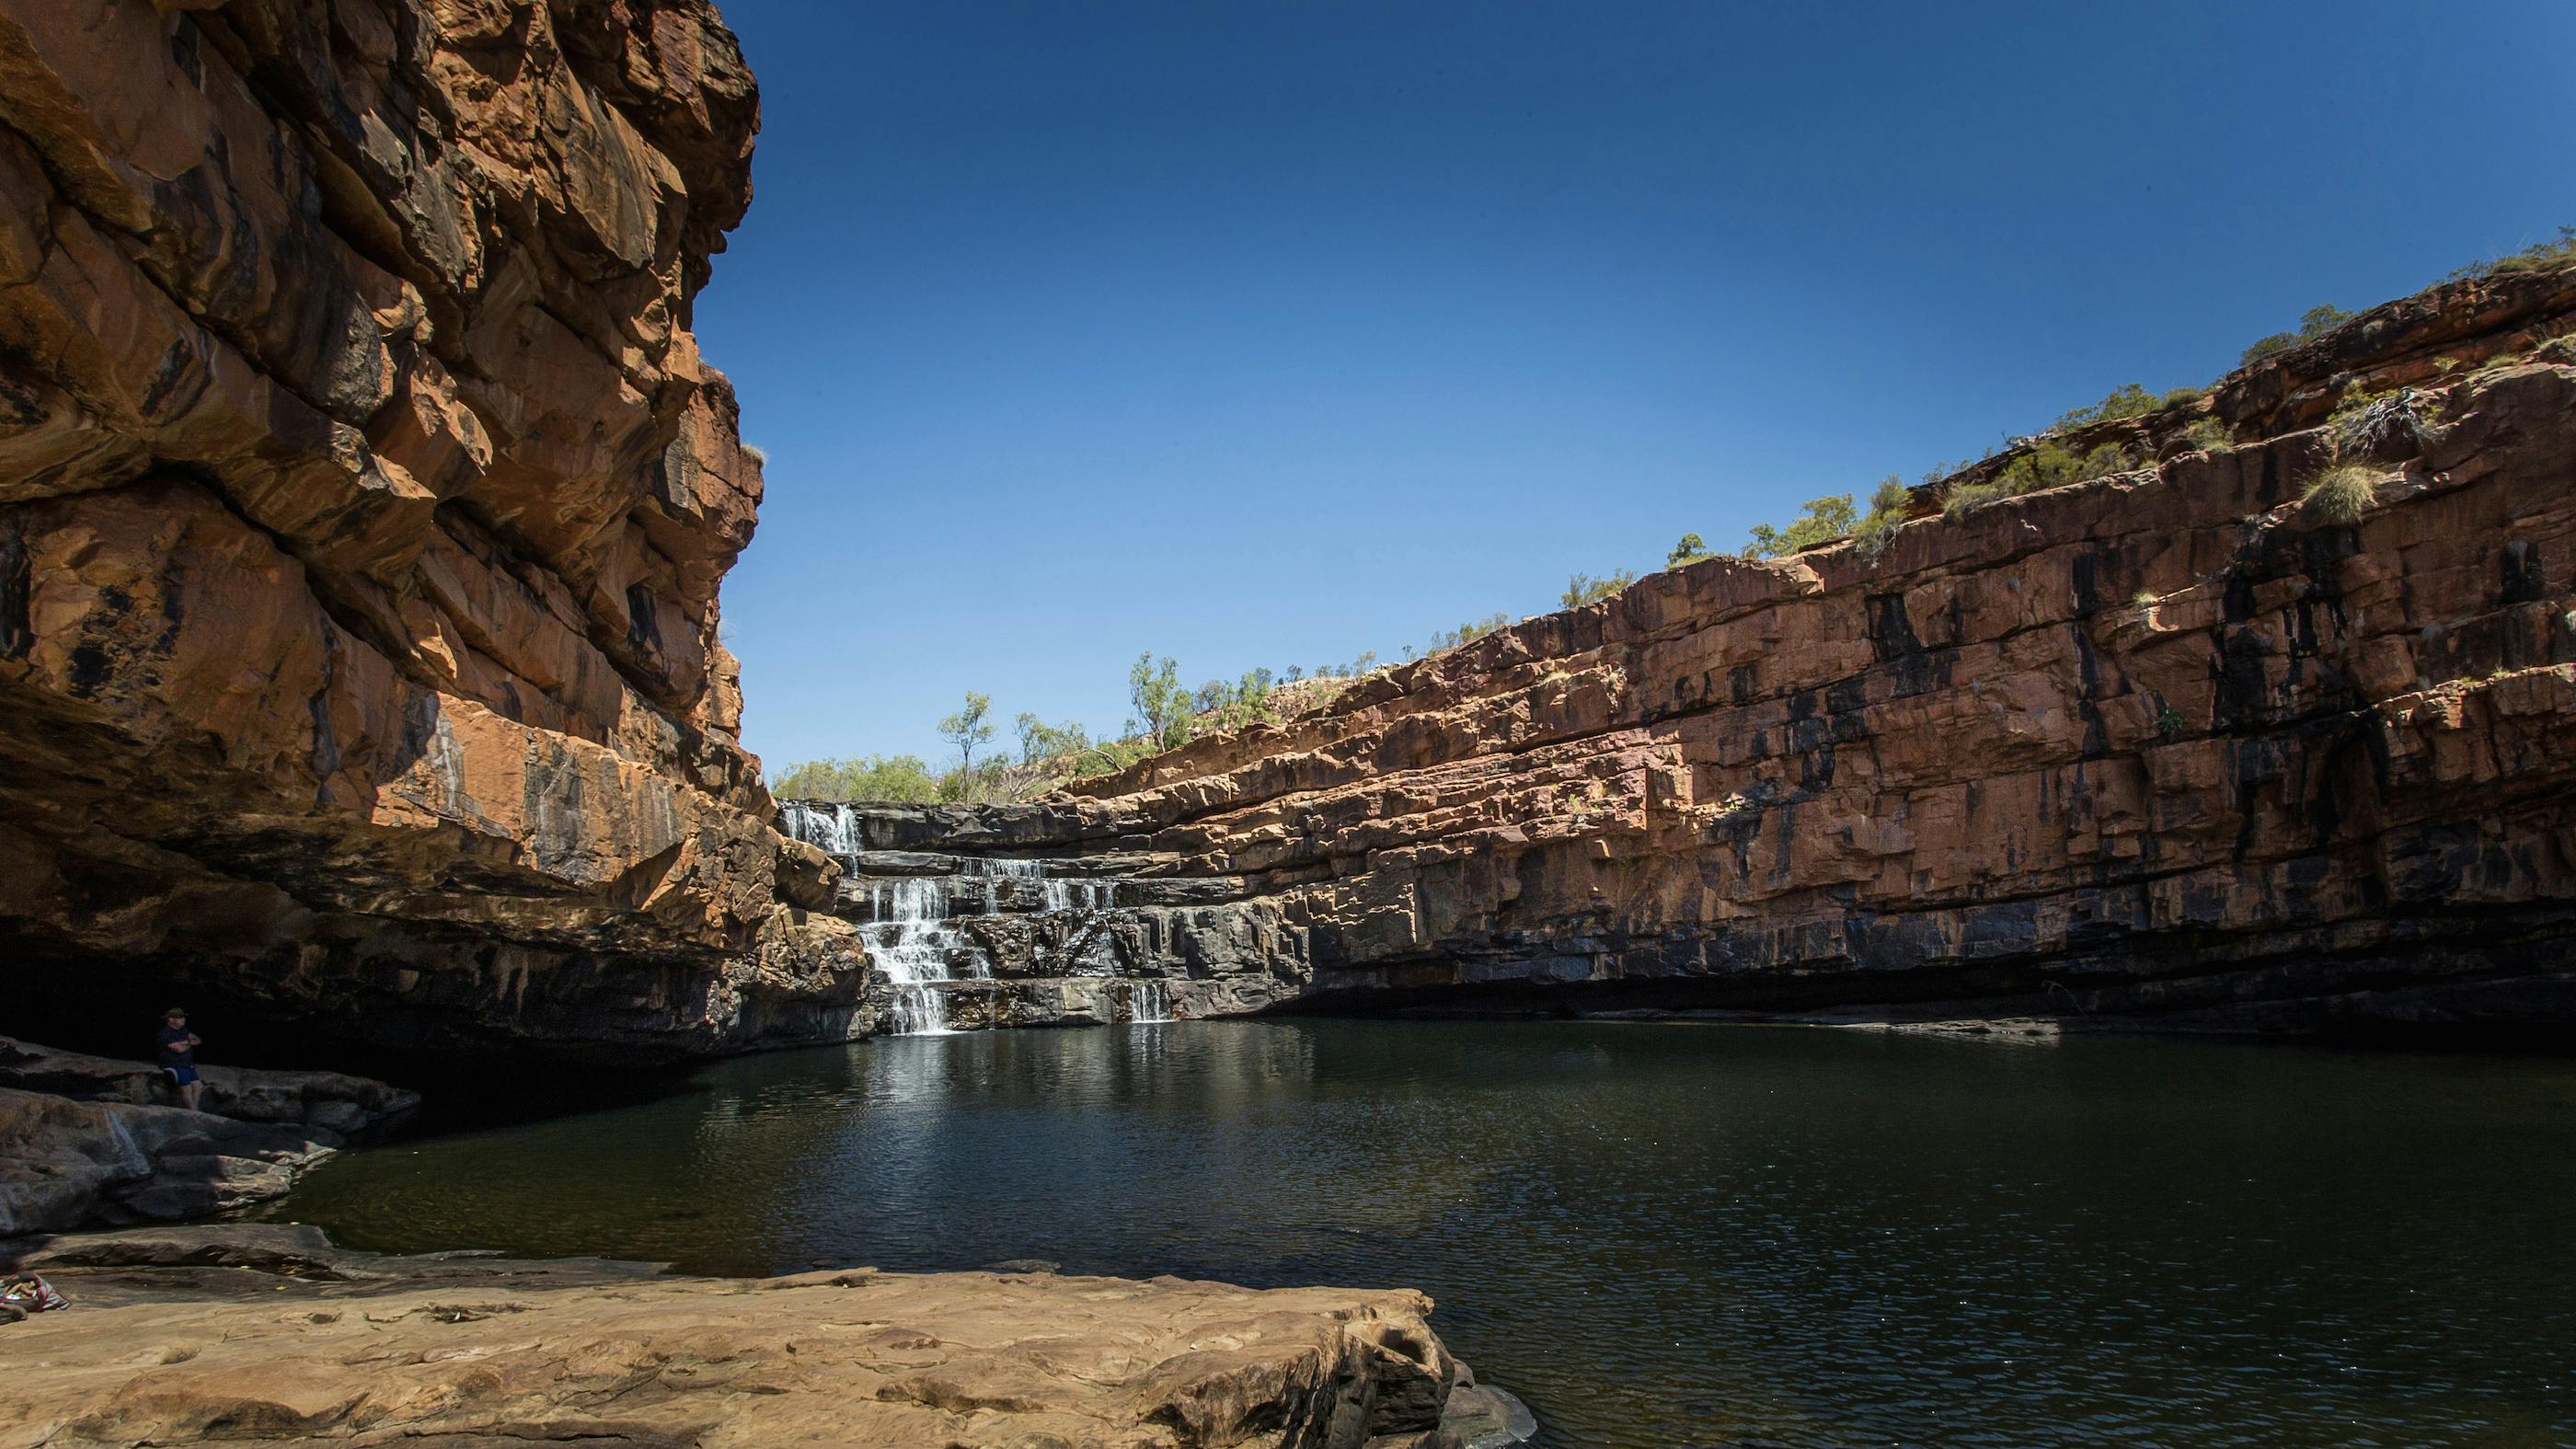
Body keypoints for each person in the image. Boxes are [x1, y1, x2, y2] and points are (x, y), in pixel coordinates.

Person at [156, 1006, 203, 1110]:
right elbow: (179, 1049)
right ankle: (192, 1110)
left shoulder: (184, 1030)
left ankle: (195, 1108)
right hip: (174, 1064)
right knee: (186, 1087)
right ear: (171, 1019)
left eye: (183, 1017)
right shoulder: (165, 1033)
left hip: (187, 1064)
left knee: (198, 1085)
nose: (183, 1019)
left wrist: (185, 1043)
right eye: (180, 1017)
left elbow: (198, 1040)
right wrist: (189, 1042)